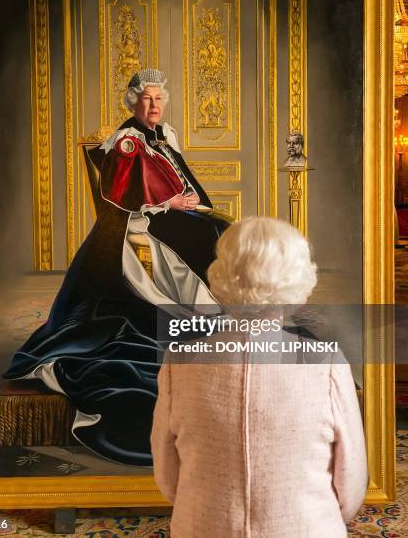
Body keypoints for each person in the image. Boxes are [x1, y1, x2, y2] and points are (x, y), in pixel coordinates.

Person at [2, 69, 228, 466]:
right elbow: (118, 195)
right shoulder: (127, 141)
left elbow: (179, 179)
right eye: (147, 100)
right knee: (205, 238)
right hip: (136, 223)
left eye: (159, 99)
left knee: (218, 228)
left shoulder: (165, 136)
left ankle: (220, 308)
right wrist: (169, 205)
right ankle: (201, 312)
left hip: (168, 214)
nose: (154, 106)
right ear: (133, 103)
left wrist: (188, 199)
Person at [151, 216, 368, 537]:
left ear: (222, 275)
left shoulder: (178, 362)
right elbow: (350, 484)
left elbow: (167, 477)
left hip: (204, 526)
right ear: (298, 279)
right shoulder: (327, 364)